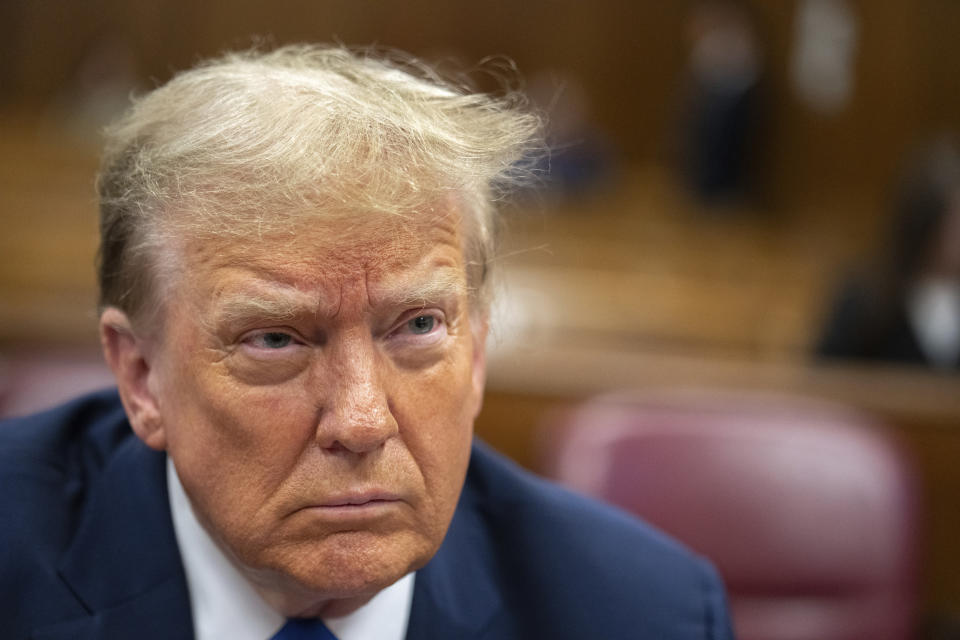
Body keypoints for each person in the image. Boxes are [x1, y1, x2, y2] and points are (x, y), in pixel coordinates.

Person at [0, 45, 734, 639]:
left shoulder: (639, 613)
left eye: (418, 326)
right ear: (140, 377)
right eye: (276, 340)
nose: (362, 420)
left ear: (476, 352)